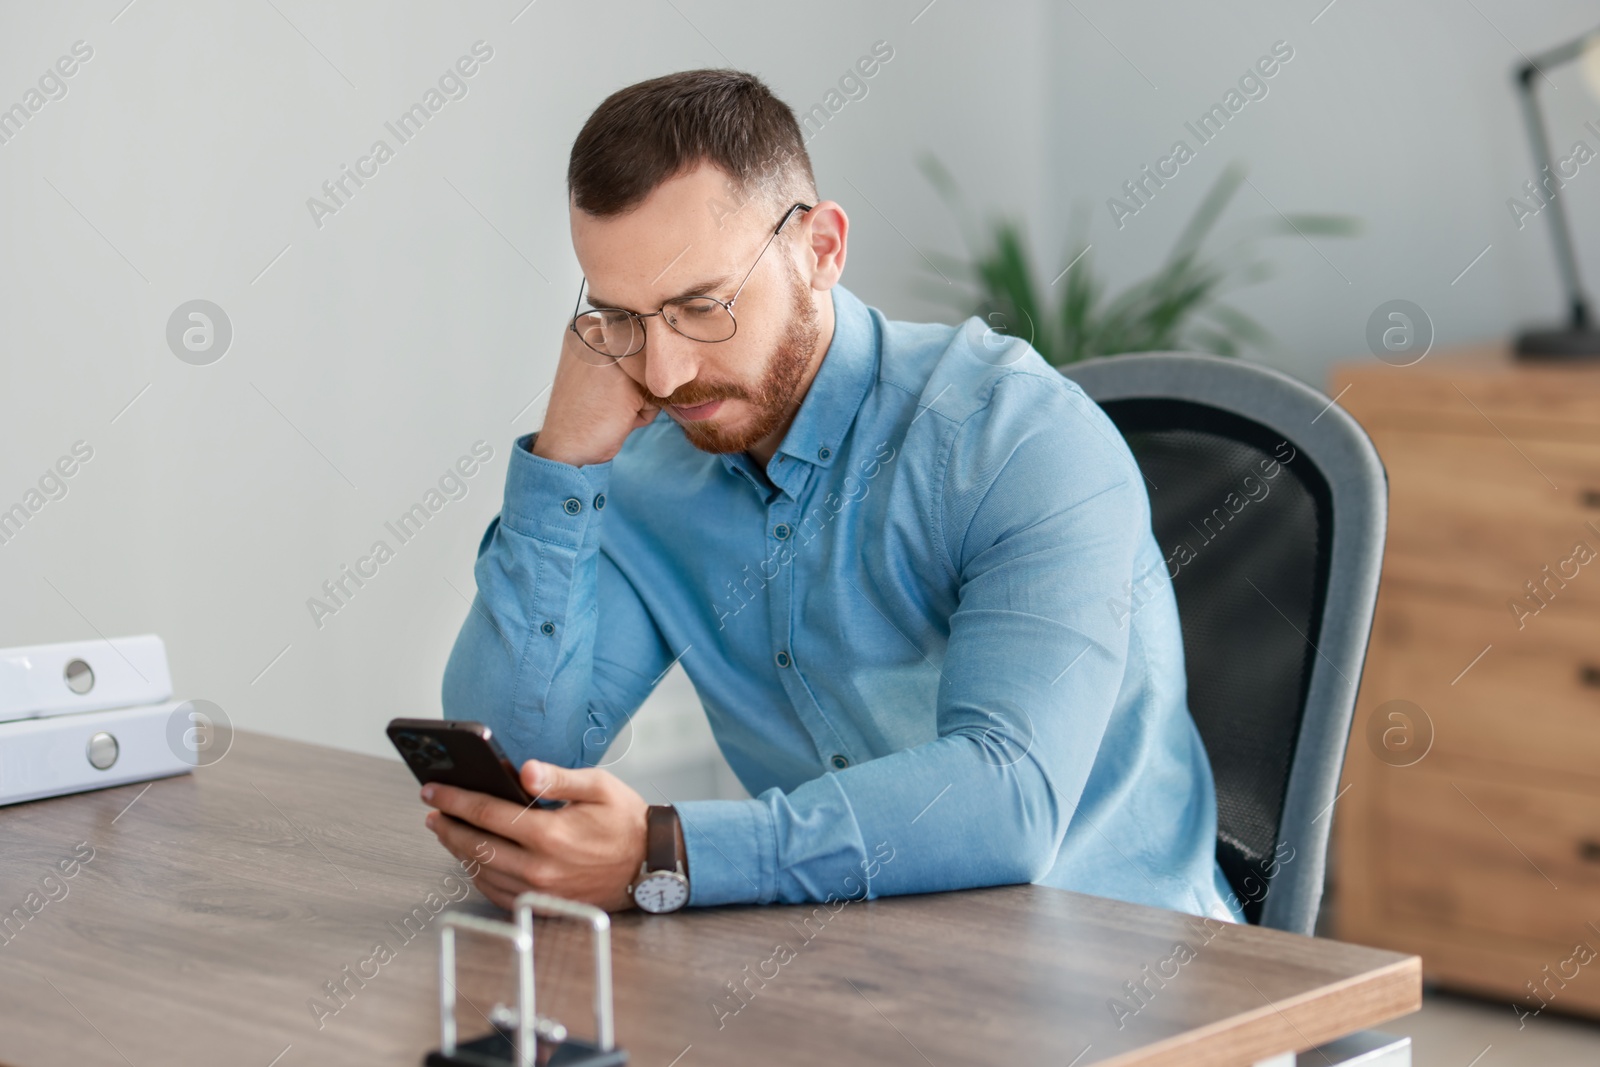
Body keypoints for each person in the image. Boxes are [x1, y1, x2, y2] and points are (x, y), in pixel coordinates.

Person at [424, 68, 1244, 924]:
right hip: (854, 973)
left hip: (1132, 982)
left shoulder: (1017, 440)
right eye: (622, 318)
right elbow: (517, 771)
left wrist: (667, 853)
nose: (662, 372)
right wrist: (566, 459)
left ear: (820, 250)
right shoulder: (653, 474)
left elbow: (1009, 797)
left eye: (701, 306)